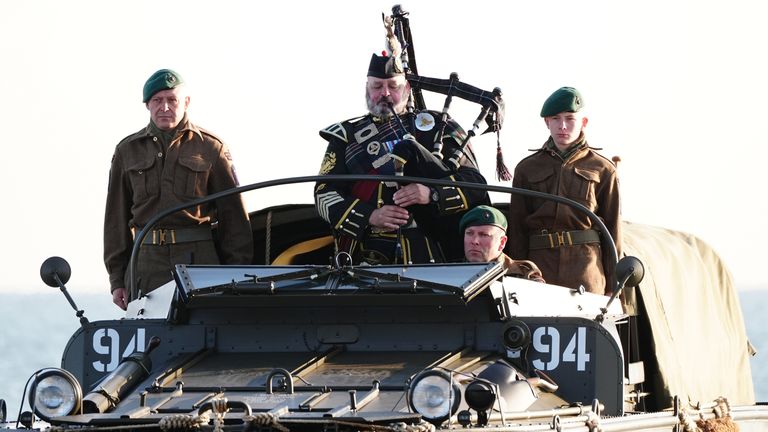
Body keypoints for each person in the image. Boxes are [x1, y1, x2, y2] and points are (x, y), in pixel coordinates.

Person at [314, 52, 490, 265]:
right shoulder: (345, 136)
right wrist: (370, 215)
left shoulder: (439, 127)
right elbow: (325, 195)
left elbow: (475, 185)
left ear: (407, 89)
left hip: (432, 253)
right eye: (377, 86)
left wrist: (432, 194)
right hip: (365, 253)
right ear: (367, 89)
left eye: (393, 86)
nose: (385, 93)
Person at [104, 69, 253, 310]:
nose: (164, 107)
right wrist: (117, 279)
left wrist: (235, 273)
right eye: (157, 100)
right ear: (147, 105)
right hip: (146, 264)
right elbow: (115, 221)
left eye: (172, 100)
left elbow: (234, 218)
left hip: (199, 261)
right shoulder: (127, 151)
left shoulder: (211, 147)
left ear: (186, 102)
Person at [508, 87, 621, 295]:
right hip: (539, 268)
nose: (562, 126)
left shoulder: (603, 169)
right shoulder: (526, 168)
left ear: (583, 122)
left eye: (570, 119)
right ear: (546, 122)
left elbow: (613, 230)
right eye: (555, 119)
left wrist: (614, 287)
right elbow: (517, 228)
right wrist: (518, 276)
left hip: (586, 267)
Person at [461, 205, 544, 281]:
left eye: (484, 235)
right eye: (469, 233)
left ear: (502, 242)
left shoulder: (525, 275)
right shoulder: (449, 273)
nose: (475, 241)